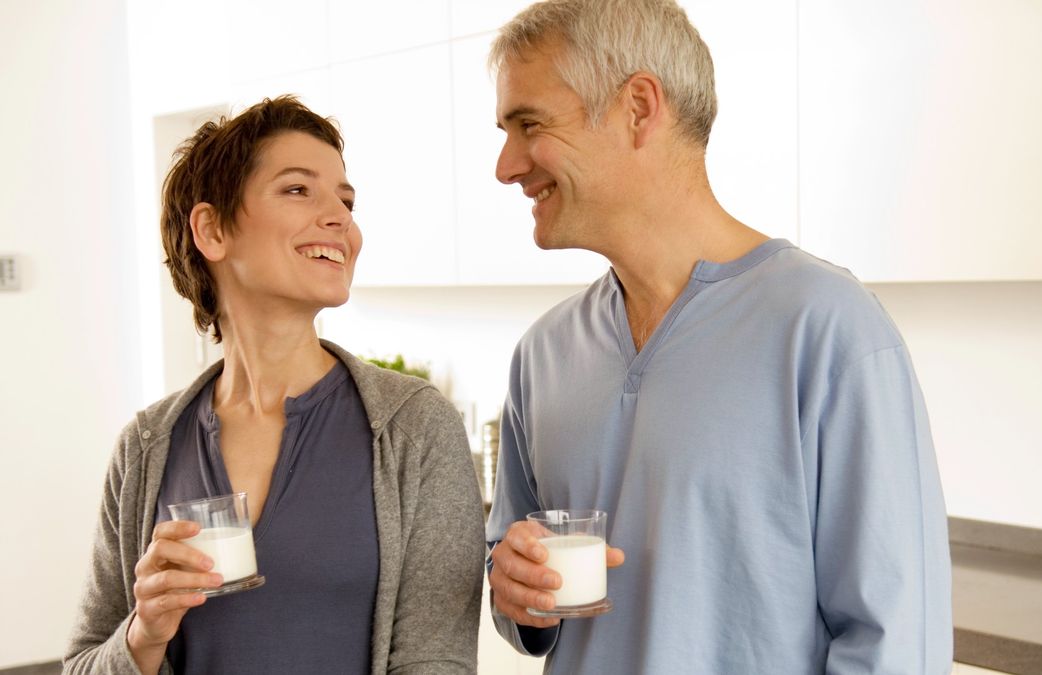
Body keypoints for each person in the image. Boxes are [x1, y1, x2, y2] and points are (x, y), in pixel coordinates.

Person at [483, 1, 953, 673]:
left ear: (639, 107)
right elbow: (513, 576)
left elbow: (897, 642)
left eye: (528, 124)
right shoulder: (543, 354)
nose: (506, 165)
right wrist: (516, 588)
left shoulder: (827, 330)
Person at [64, 96, 483, 675]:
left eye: (346, 198)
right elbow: (82, 663)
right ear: (212, 230)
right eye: (297, 190)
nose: (341, 217)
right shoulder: (144, 448)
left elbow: (439, 661)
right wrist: (143, 634)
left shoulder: (414, 425)